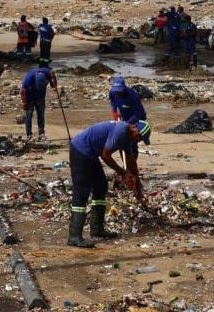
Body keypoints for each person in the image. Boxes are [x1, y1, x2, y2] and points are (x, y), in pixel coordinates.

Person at [67, 120, 152, 248]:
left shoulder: (128, 139)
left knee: (101, 186)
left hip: (91, 154)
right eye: (140, 138)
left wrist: (138, 189)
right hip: (81, 150)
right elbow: (106, 155)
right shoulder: (121, 131)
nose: (139, 141)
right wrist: (122, 173)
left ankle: (97, 229)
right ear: (135, 129)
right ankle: (74, 236)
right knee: (81, 192)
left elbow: (132, 164)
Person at [21, 59, 57, 139]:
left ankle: (41, 133)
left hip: (40, 96)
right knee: (29, 115)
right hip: (29, 96)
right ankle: (29, 135)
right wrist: (24, 102)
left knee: (40, 114)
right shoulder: (29, 78)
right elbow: (23, 90)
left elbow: (54, 86)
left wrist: (54, 77)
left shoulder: (49, 73)